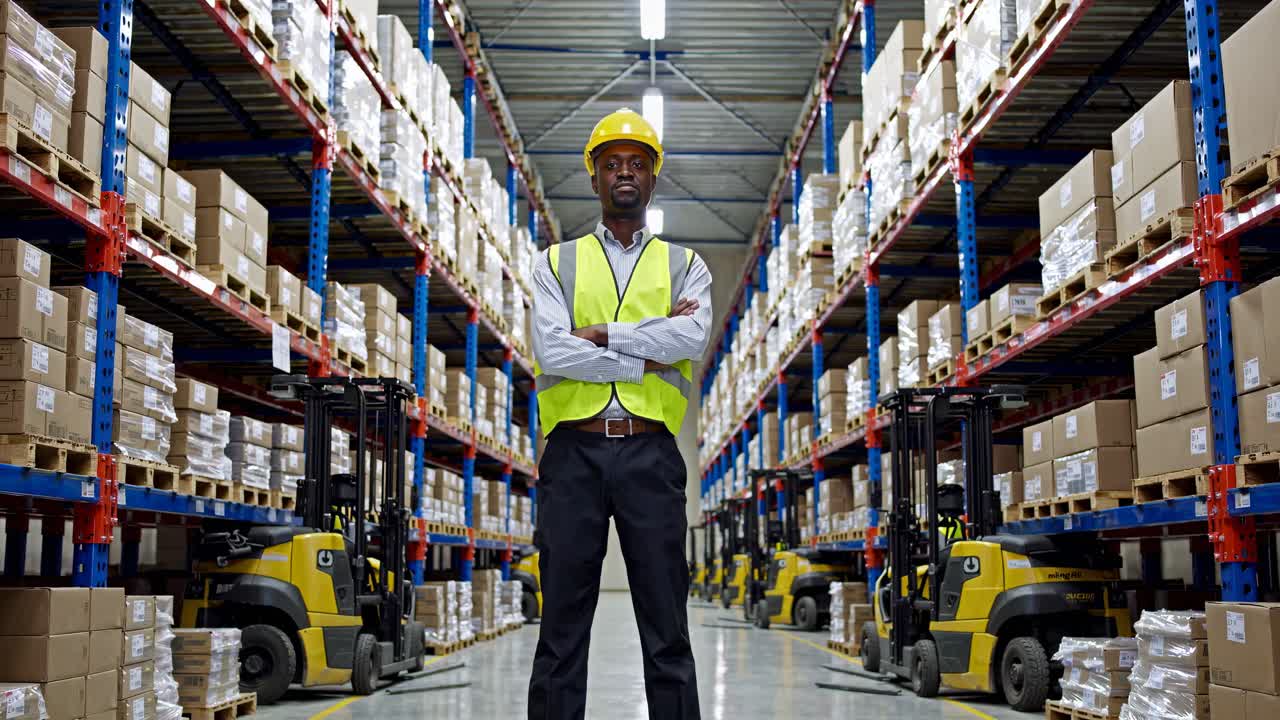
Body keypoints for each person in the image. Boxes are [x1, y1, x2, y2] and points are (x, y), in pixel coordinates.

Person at [527, 108, 711, 720]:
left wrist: (604, 333)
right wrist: (639, 358)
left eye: (637, 163)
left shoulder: (688, 265)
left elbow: (689, 340)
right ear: (595, 177)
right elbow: (553, 349)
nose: (624, 173)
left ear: (653, 178)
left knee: (667, 622)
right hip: (572, 455)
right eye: (612, 164)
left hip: (650, 456)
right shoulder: (556, 262)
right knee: (561, 626)